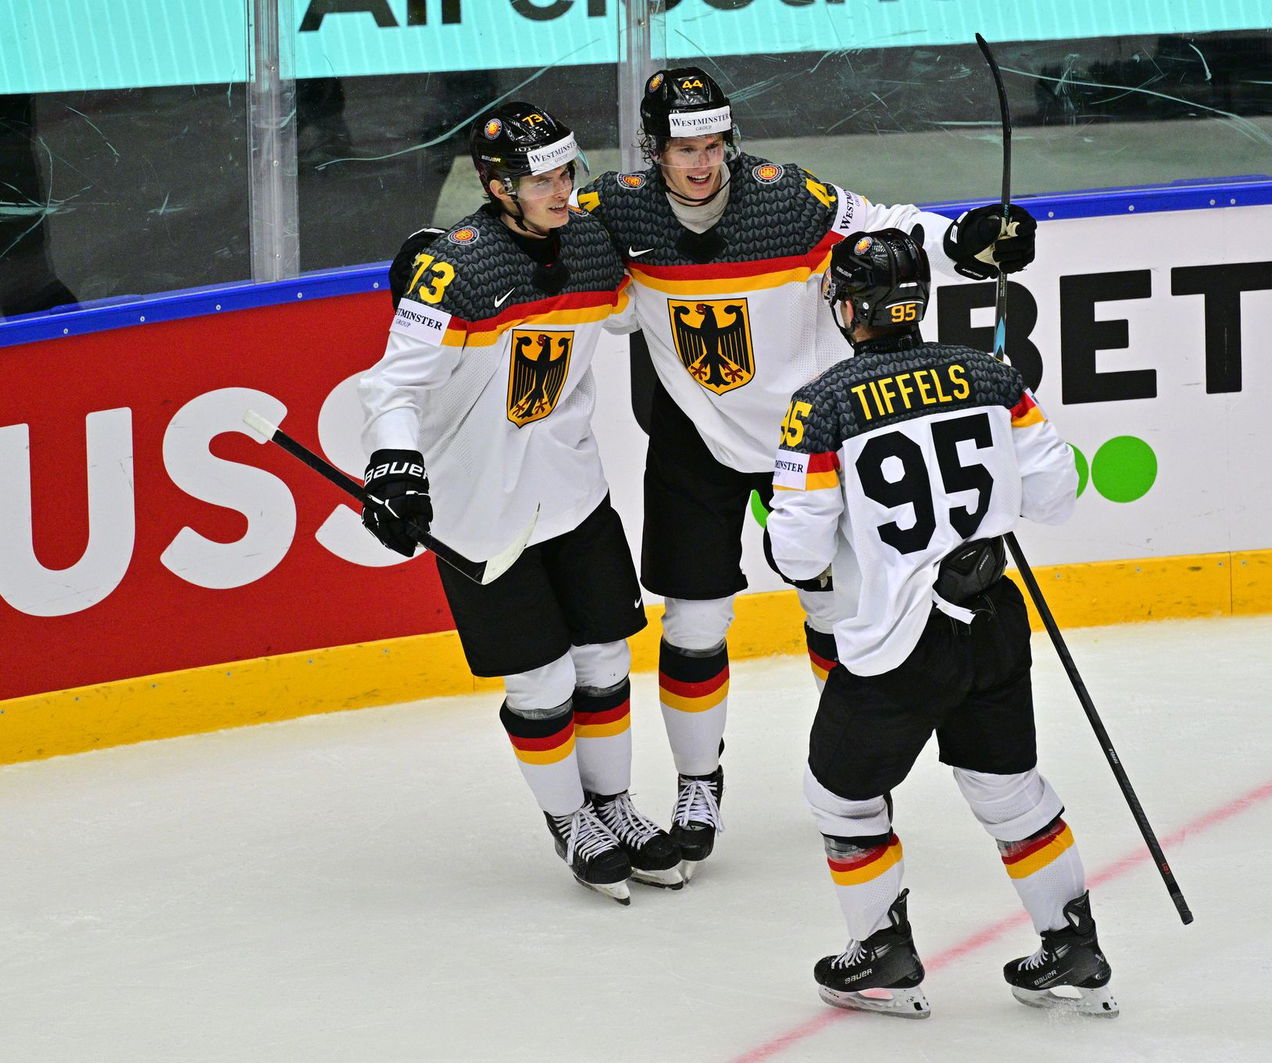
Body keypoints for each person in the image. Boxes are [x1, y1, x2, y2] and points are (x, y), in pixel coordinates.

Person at [574, 66, 1039, 879]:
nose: (702, 162)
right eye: (685, 147)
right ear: (655, 148)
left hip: (812, 430)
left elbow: (889, 230)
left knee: (837, 607)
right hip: (696, 435)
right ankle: (697, 782)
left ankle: (849, 766)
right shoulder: (618, 211)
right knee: (693, 623)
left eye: (715, 144)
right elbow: (537, 235)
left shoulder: (786, 198)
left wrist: (966, 238)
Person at [765, 227, 1116, 1018]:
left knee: (841, 796)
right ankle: (1073, 943)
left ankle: (884, 952)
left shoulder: (821, 406)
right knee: (1012, 791)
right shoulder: (991, 373)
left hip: (898, 636)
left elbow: (795, 554)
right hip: (993, 619)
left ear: (849, 308)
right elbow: (1056, 496)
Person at [356, 102, 681, 905]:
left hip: (575, 492)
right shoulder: (455, 266)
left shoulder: (589, 246)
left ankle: (616, 806)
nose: (562, 191)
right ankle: (570, 818)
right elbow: (392, 382)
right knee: (538, 681)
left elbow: (641, 310)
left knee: (605, 660)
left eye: (567, 173)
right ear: (496, 185)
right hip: (483, 512)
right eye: (542, 180)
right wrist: (394, 461)